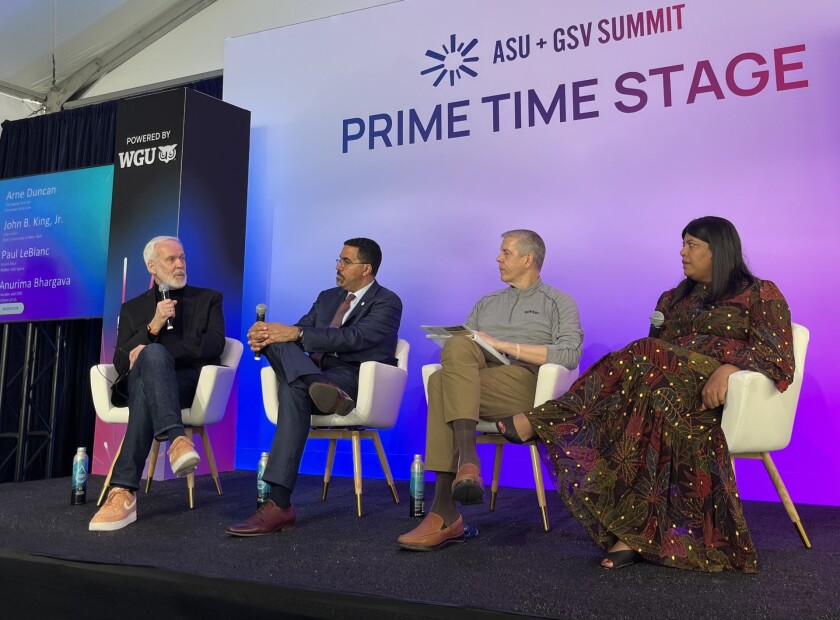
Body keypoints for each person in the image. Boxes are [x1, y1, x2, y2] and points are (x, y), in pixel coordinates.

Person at [494, 216, 795, 573]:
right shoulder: (673, 298)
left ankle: (546, 418)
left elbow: (777, 355)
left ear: (718, 251)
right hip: (664, 393)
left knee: (644, 350)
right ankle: (634, 534)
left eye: (691, 245)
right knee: (644, 372)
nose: (682, 252)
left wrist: (728, 368)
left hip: (714, 396)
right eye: (682, 244)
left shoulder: (760, 293)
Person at [397, 229, 583, 551]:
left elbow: (569, 354)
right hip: (478, 380)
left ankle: (445, 510)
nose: (498, 258)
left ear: (528, 259)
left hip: (525, 384)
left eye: (506, 252)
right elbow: (464, 354)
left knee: (442, 384)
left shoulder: (558, 302)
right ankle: (467, 466)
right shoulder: (487, 303)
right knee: (454, 351)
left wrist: (504, 345)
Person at [226, 237, 402, 536]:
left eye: (346, 261)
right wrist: (268, 334)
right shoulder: (327, 297)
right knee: (277, 343)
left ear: (366, 268)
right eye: (338, 259)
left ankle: (279, 504)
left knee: (291, 382)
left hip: (350, 378)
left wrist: (293, 334)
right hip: (319, 377)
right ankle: (314, 383)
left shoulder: (387, 301)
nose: (338, 266)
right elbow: (300, 330)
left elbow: (356, 338)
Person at [90, 236, 225, 531]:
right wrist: (152, 327)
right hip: (141, 383)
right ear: (152, 266)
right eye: (171, 259)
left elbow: (215, 344)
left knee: (149, 367)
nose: (180, 265)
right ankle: (176, 440)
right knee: (147, 369)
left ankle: (123, 492)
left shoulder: (208, 299)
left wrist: (159, 352)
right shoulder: (133, 308)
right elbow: (122, 363)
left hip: (185, 383)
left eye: (182, 258)